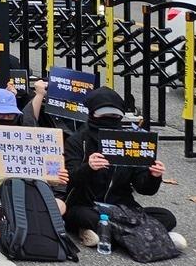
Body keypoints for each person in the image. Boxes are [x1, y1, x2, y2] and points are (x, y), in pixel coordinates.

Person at [62, 87, 185, 251]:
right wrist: (88, 167)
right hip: (86, 205)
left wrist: (153, 176)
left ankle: (108, 234)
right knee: (83, 216)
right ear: (92, 114)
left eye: (114, 115)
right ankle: (152, 236)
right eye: (104, 115)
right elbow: (68, 178)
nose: (110, 119)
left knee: (167, 217)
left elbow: (144, 189)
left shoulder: (129, 142)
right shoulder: (77, 141)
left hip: (121, 208)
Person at [0, 88, 67, 228]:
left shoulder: (23, 134)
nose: (5, 119)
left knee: (60, 205)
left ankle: (6, 227)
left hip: (21, 194)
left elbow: (39, 173)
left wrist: (54, 178)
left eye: (9, 115)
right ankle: (27, 227)